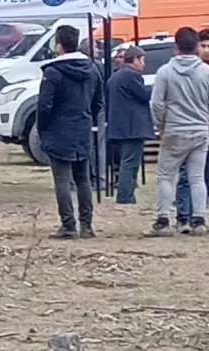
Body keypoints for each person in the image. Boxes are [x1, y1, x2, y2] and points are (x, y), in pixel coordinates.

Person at [36, 25, 103, 239]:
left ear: (58, 45)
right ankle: (86, 224)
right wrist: (87, 116)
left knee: (62, 180)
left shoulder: (53, 72)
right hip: (82, 128)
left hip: (59, 130)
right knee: (83, 179)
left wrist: (43, 126)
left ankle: (68, 224)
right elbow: (98, 101)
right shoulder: (92, 69)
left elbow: (44, 105)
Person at [147, 26, 209, 237]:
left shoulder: (165, 71)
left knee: (166, 175)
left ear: (176, 47)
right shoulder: (206, 72)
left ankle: (163, 220)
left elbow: (156, 103)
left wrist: (160, 124)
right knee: (197, 177)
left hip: (174, 129)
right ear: (197, 47)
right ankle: (199, 220)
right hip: (200, 130)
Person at [107, 47, 154, 205]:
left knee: (125, 162)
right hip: (132, 127)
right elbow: (144, 95)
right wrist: (157, 86)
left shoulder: (116, 75)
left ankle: (126, 195)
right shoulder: (131, 75)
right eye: (142, 60)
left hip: (119, 126)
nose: (143, 64)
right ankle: (125, 196)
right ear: (134, 60)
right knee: (130, 163)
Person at [174, 29, 209, 228]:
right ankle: (185, 216)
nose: (206, 50)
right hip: (194, 128)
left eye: (208, 46)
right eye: (203, 46)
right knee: (190, 175)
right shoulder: (194, 70)